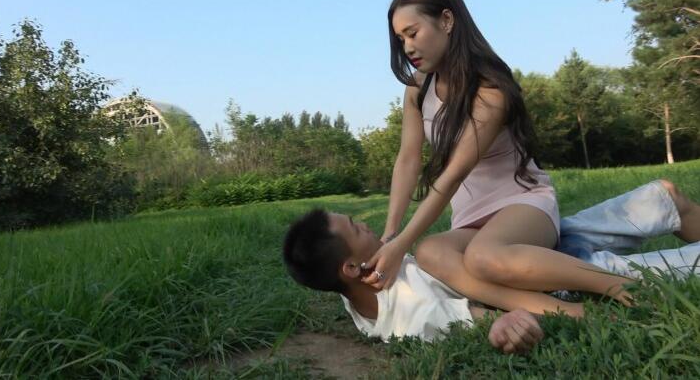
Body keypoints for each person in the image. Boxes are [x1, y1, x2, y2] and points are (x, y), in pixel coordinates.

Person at [363, 0, 631, 309]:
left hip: (523, 205)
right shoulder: (418, 89)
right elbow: (408, 159)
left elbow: (454, 174)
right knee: (430, 251)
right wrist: (390, 234)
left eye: (413, 33)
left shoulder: (490, 88)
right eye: (400, 39)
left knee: (482, 258)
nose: (408, 48)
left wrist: (401, 244)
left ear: (446, 20)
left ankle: (623, 287)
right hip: (471, 220)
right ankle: (563, 311)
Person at [283, 180, 700, 354]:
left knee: (666, 196)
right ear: (351, 267)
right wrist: (504, 326)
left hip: (523, 242)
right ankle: (618, 284)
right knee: (674, 260)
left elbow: (353, 298)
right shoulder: (412, 314)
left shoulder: (360, 293)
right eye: (356, 227)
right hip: (555, 273)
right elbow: (481, 319)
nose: (366, 225)